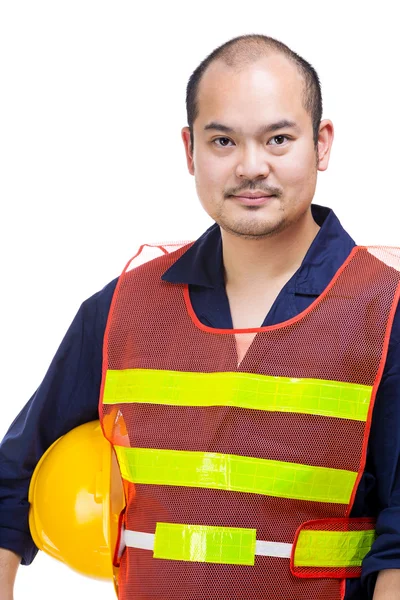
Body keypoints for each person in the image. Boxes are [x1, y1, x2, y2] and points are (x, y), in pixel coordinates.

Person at [1, 33, 400, 600]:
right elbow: (13, 480)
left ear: (323, 143)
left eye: (278, 139)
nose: (251, 166)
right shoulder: (120, 311)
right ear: (190, 151)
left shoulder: (386, 312)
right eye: (223, 141)